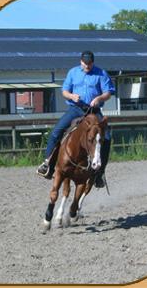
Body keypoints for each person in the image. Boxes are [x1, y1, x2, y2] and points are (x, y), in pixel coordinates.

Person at [37, 50, 115, 188]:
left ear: (93, 62)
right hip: (76, 109)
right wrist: (72, 96)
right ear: (81, 61)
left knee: (106, 138)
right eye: (85, 63)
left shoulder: (101, 73)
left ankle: (99, 173)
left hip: (93, 111)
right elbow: (65, 91)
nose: (87, 66)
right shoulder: (73, 72)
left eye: (90, 63)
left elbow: (108, 92)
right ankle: (48, 164)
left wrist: (99, 98)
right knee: (56, 131)